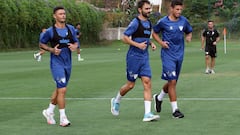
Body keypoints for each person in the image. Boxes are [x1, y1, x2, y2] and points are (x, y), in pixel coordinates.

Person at [110, 0, 160, 122]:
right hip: (133, 57)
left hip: (144, 58)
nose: (149, 11)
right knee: (130, 85)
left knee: (147, 82)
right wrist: (137, 45)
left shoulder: (148, 23)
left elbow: (145, 37)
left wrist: (151, 43)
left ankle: (147, 114)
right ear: (140, 10)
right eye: (147, 9)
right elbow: (124, 38)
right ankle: (116, 100)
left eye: (150, 8)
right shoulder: (135, 23)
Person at [152, 0, 192, 119]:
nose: (179, 12)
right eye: (177, 9)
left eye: (181, 10)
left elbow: (189, 31)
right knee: (173, 82)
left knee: (172, 82)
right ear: (171, 9)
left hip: (179, 55)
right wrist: (160, 42)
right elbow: (154, 33)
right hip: (167, 55)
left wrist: (188, 37)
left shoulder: (184, 21)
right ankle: (175, 110)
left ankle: (159, 98)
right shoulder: (163, 22)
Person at [39, 6, 78, 127]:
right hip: (56, 64)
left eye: (64, 14)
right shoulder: (50, 31)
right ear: (54, 16)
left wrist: (75, 46)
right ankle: (63, 118)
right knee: (62, 89)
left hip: (68, 63)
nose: (63, 16)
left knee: (60, 88)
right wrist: (51, 50)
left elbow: (76, 41)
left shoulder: (71, 29)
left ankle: (49, 111)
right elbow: (41, 43)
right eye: (60, 14)